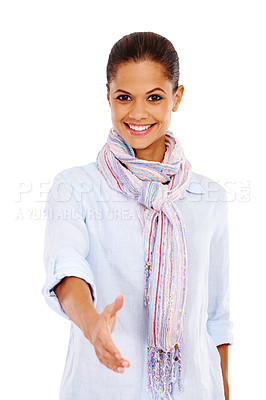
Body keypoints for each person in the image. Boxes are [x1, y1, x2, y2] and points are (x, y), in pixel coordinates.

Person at [42, 32, 234, 400]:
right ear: (108, 96)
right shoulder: (75, 187)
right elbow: (65, 267)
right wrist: (90, 321)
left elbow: (216, 318)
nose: (138, 113)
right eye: (124, 97)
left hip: (193, 390)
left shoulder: (210, 197)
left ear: (177, 98)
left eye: (155, 97)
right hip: (102, 388)